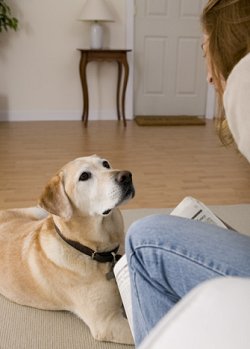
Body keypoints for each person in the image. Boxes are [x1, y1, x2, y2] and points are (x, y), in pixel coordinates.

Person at [125, 0, 250, 346]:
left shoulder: (245, 82)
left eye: (205, 51)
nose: (209, 75)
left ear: (228, 44)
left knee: (144, 241)